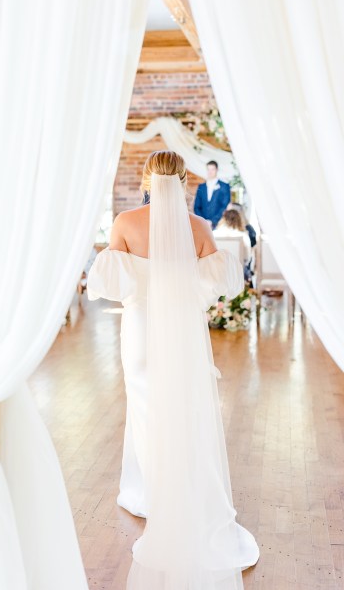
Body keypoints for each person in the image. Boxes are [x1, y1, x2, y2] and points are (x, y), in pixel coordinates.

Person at [87, 151, 259, 589]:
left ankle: (152, 493)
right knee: (185, 409)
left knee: (144, 410)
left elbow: (105, 283)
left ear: (146, 179)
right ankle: (183, 492)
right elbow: (218, 285)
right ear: (185, 181)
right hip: (182, 334)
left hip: (141, 334)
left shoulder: (125, 223)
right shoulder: (199, 228)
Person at [194, 160, 231, 228]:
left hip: (219, 225)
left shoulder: (224, 186)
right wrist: (203, 221)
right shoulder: (201, 187)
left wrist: (213, 221)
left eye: (212, 169)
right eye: (208, 169)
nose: (210, 172)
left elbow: (224, 206)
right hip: (202, 225)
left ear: (217, 170)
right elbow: (197, 207)